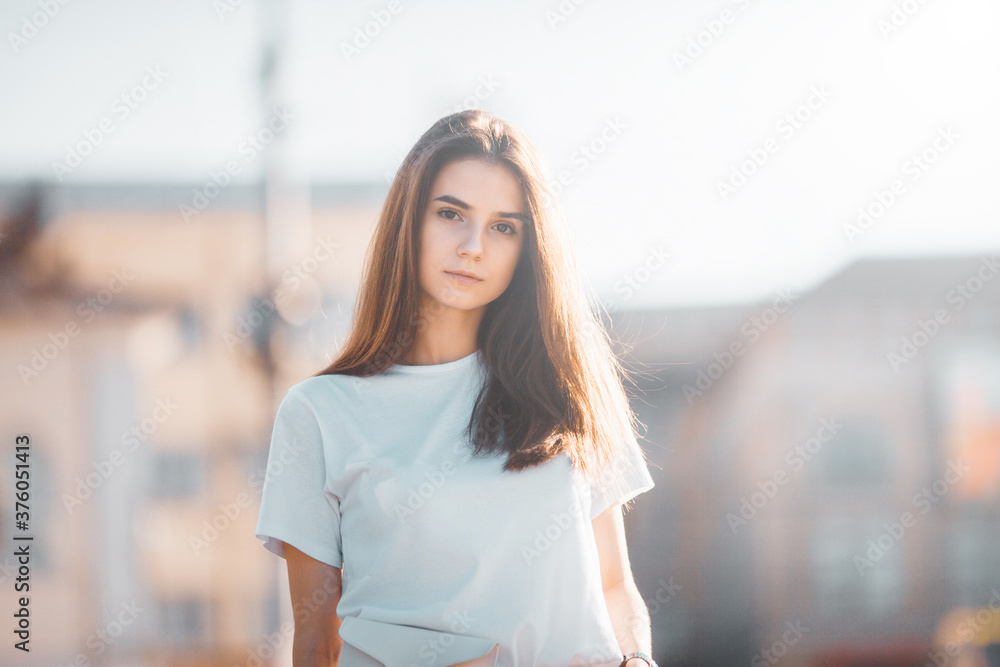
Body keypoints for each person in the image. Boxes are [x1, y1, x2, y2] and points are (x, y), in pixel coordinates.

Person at [255, 109, 659, 667]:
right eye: (451, 214)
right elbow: (316, 641)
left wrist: (638, 660)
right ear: (409, 223)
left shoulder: (572, 388)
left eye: (503, 226)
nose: (473, 246)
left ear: (528, 247)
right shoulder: (319, 413)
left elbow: (615, 587)